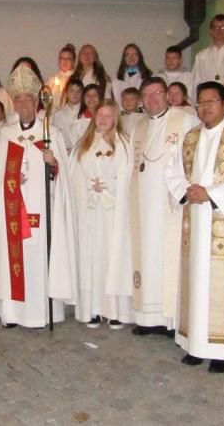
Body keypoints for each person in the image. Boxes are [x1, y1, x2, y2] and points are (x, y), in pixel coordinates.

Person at [163, 81, 224, 373]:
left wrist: (211, 194)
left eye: (212, 101)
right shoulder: (190, 138)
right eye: (201, 102)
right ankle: (196, 344)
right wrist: (187, 189)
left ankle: (222, 350)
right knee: (196, 281)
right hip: (195, 219)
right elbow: (171, 171)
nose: (205, 107)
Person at [0, 64, 77, 329]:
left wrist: (54, 164)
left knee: (41, 256)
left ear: (37, 101)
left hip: (43, 208)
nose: (23, 103)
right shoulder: (5, 136)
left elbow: (64, 180)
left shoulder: (51, 134)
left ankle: (44, 313)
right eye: (18, 99)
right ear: (13, 103)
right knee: (15, 256)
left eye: (28, 98)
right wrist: (10, 180)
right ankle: (13, 314)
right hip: (12, 212)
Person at [129, 77, 198, 338]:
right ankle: (147, 317)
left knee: (168, 257)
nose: (151, 99)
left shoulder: (185, 120)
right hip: (144, 205)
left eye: (156, 93)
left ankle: (170, 319)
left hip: (171, 204)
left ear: (167, 94)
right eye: (145, 95)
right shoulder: (139, 127)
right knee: (146, 256)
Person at [70, 99, 133, 329]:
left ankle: (115, 311)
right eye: (100, 115)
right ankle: (93, 309)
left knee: (112, 258)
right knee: (92, 259)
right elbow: (74, 175)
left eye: (108, 116)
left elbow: (126, 177)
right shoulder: (83, 144)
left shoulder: (123, 144)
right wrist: (88, 187)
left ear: (115, 118)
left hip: (113, 212)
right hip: (90, 211)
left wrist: (107, 187)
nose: (104, 120)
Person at [192, 14, 224, 96]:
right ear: (211, 31)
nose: (220, 30)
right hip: (208, 100)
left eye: (223, 27)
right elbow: (196, 83)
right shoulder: (201, 56)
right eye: (216, 27)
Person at [52, 79, 84, 151]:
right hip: (64, 152)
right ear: (66, 93)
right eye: (72, 91)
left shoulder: (85, 114)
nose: (75, 94)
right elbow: (55, 136)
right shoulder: (58, 114)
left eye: (78, 91)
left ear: (82, 94)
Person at [68, 84, 103, 149]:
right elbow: (74, 144)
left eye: (95, 95)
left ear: (100, 97)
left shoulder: (105, 118)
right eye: (88, 95)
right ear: (83, 98)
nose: (91, 98)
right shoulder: (77, 120)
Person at [47, 44, 76, 111]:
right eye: (62, 58)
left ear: (73, 61)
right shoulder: (51, 80)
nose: (65, 61)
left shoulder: (77, 79)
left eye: (68, 59)